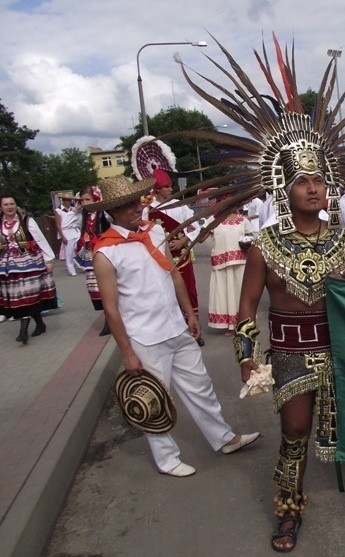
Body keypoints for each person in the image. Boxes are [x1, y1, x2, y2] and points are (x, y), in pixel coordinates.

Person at [170, 37, 345, 552]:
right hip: (289, 350)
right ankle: (288, 508)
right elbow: (245, 312)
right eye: (302, 181)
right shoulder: (262, 245)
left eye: (319, 182)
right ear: (284, 187)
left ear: (329, 188)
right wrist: (244, 360)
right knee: (296, 429)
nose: (313, 189)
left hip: (342, 346)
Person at [89, 175, 259, 477]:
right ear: (112, 212)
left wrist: (190, 314)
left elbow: (174, 274)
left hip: (175, 328)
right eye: (127, 205)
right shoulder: (105, 252)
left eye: (136, 201)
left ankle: (224, 438)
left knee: (201, 386)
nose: (135, 208)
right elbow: (111, 310)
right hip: (145, 337)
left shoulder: (154, 233)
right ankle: (166, 459)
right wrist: (127, 351)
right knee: (155, 398)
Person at [145, 168, 205, 347]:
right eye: (166, 187)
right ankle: (177, 332)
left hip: (182, 256)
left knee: (189, 292)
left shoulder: (181, 205)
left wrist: (183, 241)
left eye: (171, 186)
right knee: (168, 294)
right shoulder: (148, 209)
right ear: (157, 190)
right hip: (160, 258)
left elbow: (196, 226)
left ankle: (196, 330)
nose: (170, 190)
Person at [0, 193, 58, 343]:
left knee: (28, 296)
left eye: (12, 204)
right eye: (6, 204)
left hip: (30, 264)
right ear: (1, 207)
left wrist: (48, 260)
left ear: (16, 205)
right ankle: (40, 324)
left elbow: (40, 239)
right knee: (20, 298)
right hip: (8, 268)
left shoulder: (27, 221)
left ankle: (23, 331)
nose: (9, 207)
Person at [201, 206, 253, 334]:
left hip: (240, 263)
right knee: (224, 293)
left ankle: (242, 323)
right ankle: (229, 325)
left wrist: (247, 244)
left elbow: (251, 238)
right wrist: (208, 225)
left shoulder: (243, 220)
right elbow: (201, 239)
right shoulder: (214, 220)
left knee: (240, 292)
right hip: (221, 264)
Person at [74, 185, 112, 336]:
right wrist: (76, 209)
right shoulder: (82, 215)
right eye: (82, 200)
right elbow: (66, 225)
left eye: (87, 199)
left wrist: (101, 203)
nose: (85, 203)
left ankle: (110, 320)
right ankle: (108, 317)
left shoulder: (103, 213)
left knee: (108, 285)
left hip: (104, 251)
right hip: (89, 254)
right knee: (95, 288)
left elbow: (112, 219)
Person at [54, 192, 82, 276]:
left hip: (75, 230)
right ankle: (70, 268)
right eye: (67, 200)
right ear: (63, 200)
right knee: (69, 251)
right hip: (66, 231)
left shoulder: (73, 209)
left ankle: (79, 263)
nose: (69, 202)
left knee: (79, 247)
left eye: (70, 200)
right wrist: (62, 236)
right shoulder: (58, 210)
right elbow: (58, 225)